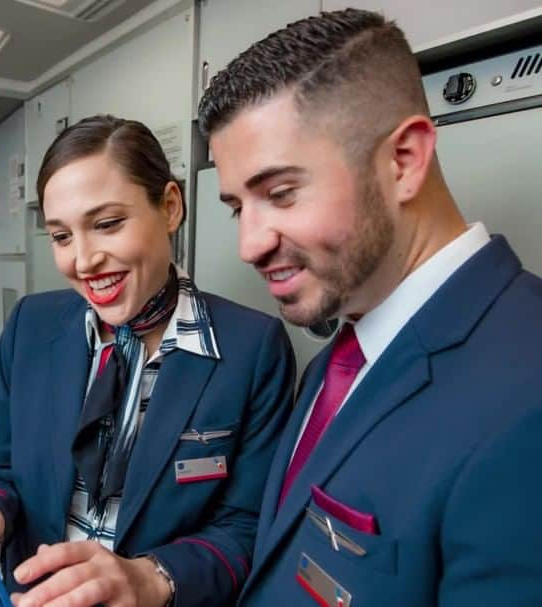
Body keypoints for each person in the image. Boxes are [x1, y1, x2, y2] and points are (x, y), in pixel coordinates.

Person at [196, 8, 542, 607]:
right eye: (236, 206)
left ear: (404, 159)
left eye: (281, 193)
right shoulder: (341, 356)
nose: (249, 244)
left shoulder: (527, 397)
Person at [0, 115, 296, 607]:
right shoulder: (32, 324)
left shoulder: (252, 347)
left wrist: (150, 578)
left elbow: (246, 525)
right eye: (61, 236)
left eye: (107, 224)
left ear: (171, 206)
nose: (84, 261)